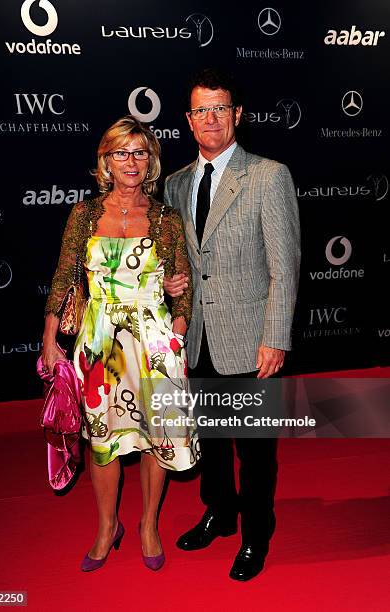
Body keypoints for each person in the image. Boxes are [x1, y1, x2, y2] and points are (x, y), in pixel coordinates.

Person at [42, 115, 197, 572]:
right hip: (100, 342)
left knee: (156, 438)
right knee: (102, 440)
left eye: (140, 153)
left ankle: (149, 523)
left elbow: (181, 286)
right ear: (105, 161)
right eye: (121, 153)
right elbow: (64, 277)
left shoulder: (166, 218)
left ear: (150, 161)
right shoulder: (85, 214)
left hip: (153, 340)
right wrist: (50, 340)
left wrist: (177, 336)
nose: (131, 161)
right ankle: (107, 527)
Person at [163, 68, 300, 581]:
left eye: (221, 108)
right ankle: (220, 512)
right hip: (196, 337)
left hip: (249, 339)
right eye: (201, 110)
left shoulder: (268, 175)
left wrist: (276, 337)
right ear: (188, 120)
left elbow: (284, 265)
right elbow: (179, 259)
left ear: (237, 115)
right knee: (211, 442)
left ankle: (255, 535)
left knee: (255, 452)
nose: (211, 119)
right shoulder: (176, 184)